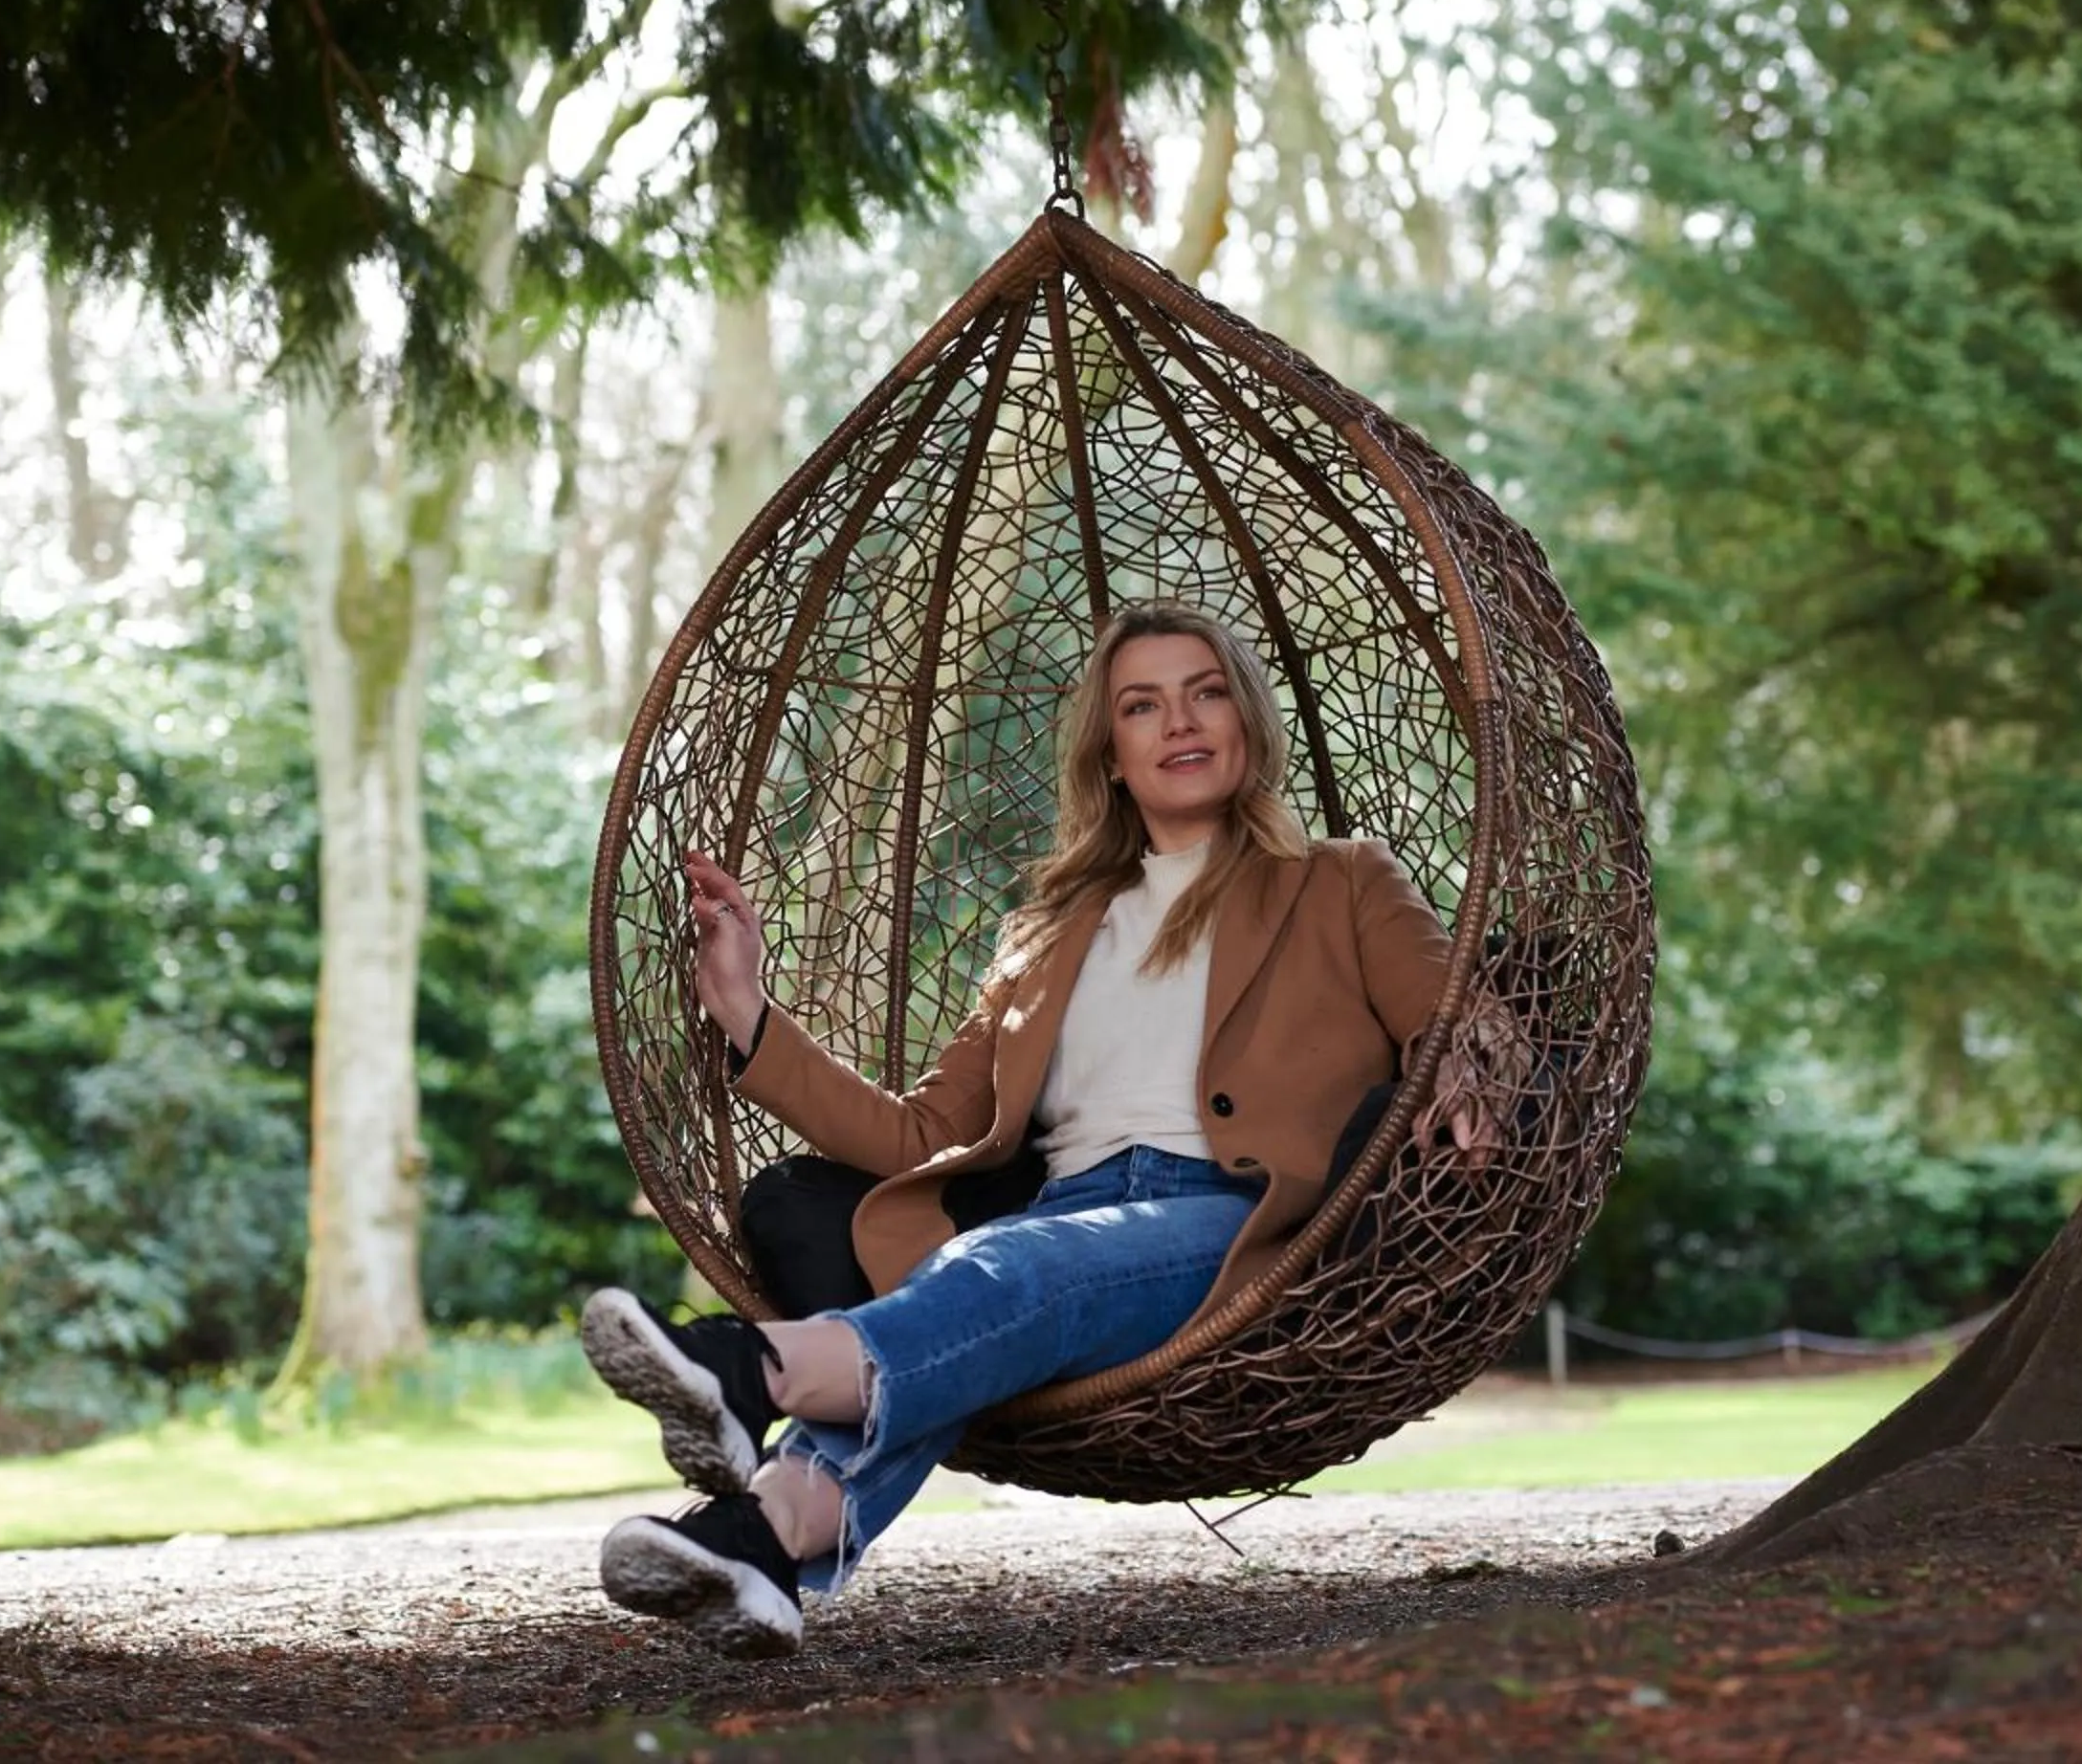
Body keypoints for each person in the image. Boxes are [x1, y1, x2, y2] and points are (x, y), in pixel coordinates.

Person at [580, 600, 1483, 1656]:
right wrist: (747, 1012)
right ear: (1111, 752)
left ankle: (754, 1371)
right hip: (1060, 1222)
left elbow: (1454, 1015)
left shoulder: (1343, 881)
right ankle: (768, 1542)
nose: (1179, 722)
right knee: (988, 1277)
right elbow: (925, 1133)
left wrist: (1482, 1051)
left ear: (1246, 718)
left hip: (1234, 1230)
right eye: (1141, 704)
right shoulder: (1047, 933)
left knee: (1009, 1269)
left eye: (1204, 692)